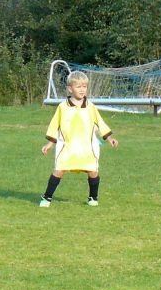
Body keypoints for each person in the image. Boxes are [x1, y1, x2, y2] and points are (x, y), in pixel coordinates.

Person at [39, 70, 119, 207]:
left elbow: (100, 123)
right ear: (70, 88)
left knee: (93, 171)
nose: (82, 90)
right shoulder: (62, 107)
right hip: (67, 147)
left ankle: (93, 198)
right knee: (59, 170)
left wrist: (109, 138)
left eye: (84, 86)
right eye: (78, 87)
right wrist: (49, 144)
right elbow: (54, 125)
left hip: (87, 147)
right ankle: (47, 198)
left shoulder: (90, 107)